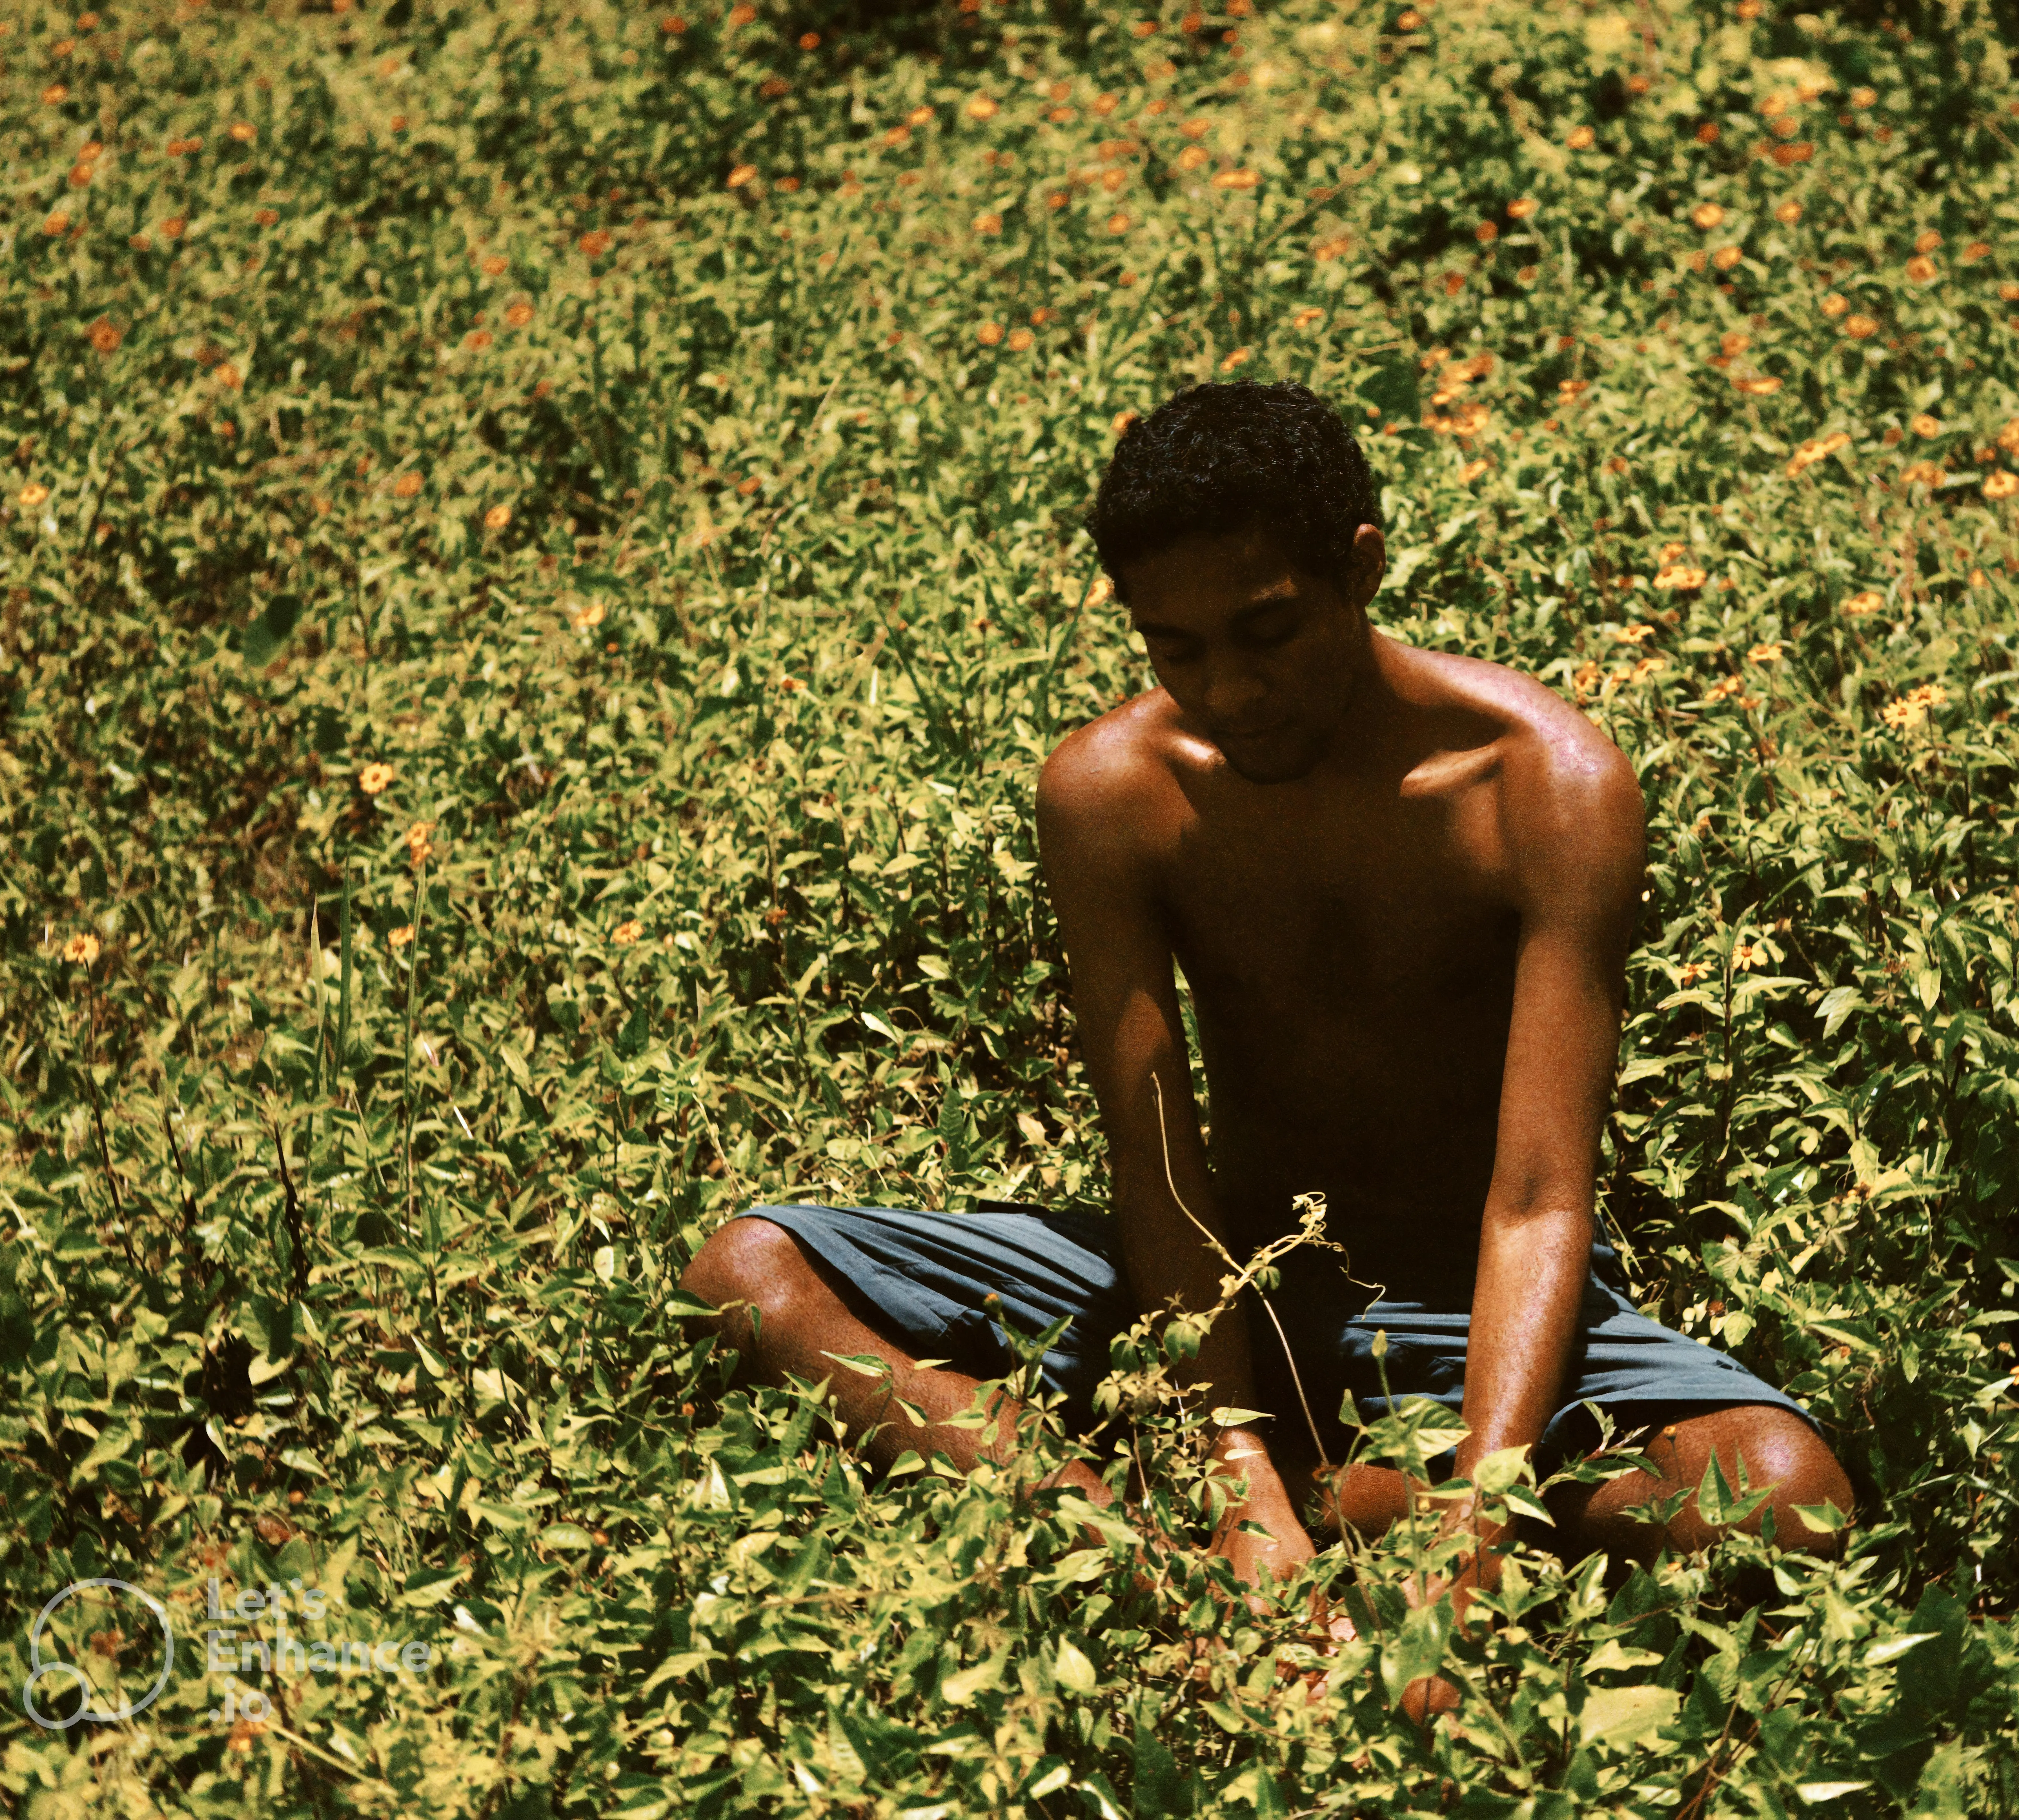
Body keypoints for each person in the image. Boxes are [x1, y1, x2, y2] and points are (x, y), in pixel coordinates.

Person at [679, 379, 1852, 1658]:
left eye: (1268, 631)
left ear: (1362, 565)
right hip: (1229, 1273)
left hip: (1483, 1298)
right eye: (1174, 648)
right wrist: (1228, 1453)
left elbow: (1536, 1199)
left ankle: (1341, 1496)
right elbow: (1159, 1165)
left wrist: (1477, 1514)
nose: (1227, 691)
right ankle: (1139, 1536)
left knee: (1782, 1495)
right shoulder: (1112, 792)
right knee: (747, 1272)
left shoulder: (1545, 785)